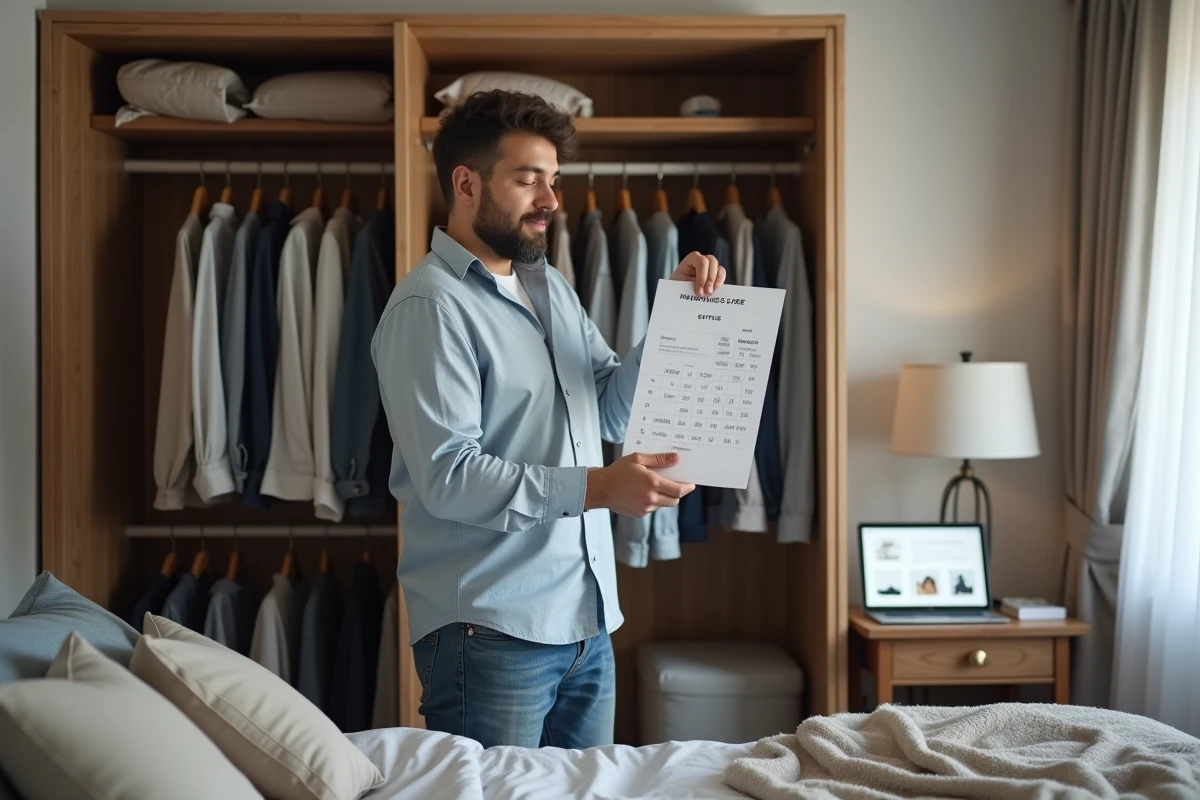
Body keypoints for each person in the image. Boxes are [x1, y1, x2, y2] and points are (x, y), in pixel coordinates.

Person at [370, 89, 726, 749]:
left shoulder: (548, 286)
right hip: (491, 633)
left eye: (554, 180)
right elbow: (449, 477)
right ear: (467, 183)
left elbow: (611, 406)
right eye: (529, 179)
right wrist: (598, 488)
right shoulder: (430, 307)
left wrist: (674, 317)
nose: (551, 200)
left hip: (586, 622)